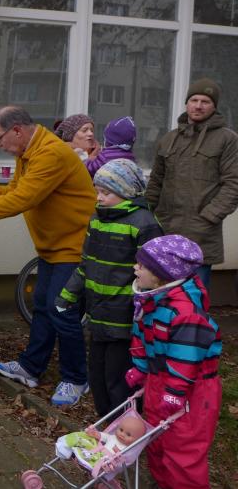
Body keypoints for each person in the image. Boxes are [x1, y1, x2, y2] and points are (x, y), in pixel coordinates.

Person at [0, 106, 96, 406]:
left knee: (61, 309)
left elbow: (24, 199)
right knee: (43, 305)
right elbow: (16, 189)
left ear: (17, 130)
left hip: (73, 246)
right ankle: (31, 368)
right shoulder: (28, 153)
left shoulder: (50, 154)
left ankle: (77, 378)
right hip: (53, 247)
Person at [54, 159, 162, 416]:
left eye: (106, 192)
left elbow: (155, 274)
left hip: (125, 317)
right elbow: (86, 263)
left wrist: (145, 307)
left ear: (126, 191)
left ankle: (126, 425)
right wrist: (67, 294)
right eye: (98, 191)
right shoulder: (97, 219)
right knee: (98, 373)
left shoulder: (144, 223)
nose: (99, 198)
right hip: (98, 312)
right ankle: (105, 421)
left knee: (118, 376)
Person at [125, 234, 221, 489]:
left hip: (190, 391)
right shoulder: (152, 302)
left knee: (183, 449)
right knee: (156, 439)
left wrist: (175, 392)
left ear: (161, 275)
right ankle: (163, 483)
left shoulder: (186, 314)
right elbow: (142, 338)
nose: (135, 268)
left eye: (142, 265)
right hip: (159, 382)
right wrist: (141, 368)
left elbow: (186, 358)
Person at [145, 78, 238, 289]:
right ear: (187, 103)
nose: (198, 106)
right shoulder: (169, 139)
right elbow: (156, 181)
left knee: (193, 297)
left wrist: (208, 217)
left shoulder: (227, 139)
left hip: (201, 233)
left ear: (214, 106)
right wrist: (148, 215)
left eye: (205, 101)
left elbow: (233, 184)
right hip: (166, 229)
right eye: (194, 100)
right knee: (163, 294)